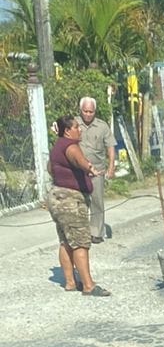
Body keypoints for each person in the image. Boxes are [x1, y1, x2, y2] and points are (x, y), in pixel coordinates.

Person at [46, 115, 110, 296]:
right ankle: (88, 285)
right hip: (71, 202)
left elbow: (50, 168)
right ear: (67, 131)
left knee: (65, 241)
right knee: (81, 242)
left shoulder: (57, 146)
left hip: (57, 197)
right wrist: (89, 168)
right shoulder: (70, 146)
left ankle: (70, 282)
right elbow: (79, 160)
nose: (80, 129)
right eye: (76, 127)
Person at [78, 96, 116, 243]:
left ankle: (97, 233)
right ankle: (81, 232)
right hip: (78, 170)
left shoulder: (102, 126)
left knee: (97, 201)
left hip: (98, 170)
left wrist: (111, 166)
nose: (88, 114)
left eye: (91, 112)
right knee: (79, 202)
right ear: (80, 110)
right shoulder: (74, 123)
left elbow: (110, 146)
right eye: (85, 111)